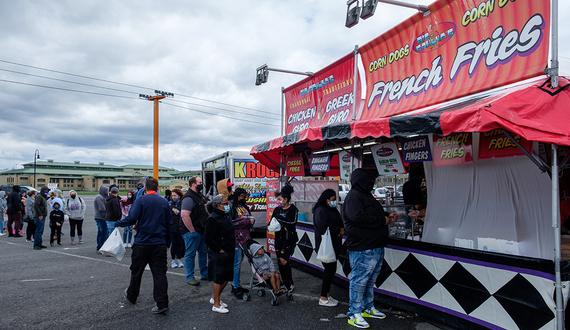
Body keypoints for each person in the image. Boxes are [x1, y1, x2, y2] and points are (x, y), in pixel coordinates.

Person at [343, 168, 398, 329]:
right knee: (359, 281)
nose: (372, 183)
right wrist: (383, 221)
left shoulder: (365, 195)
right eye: (370, 180)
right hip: (362, 247)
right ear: (362, 180)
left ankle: (367, 307)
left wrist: (388, 215)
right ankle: (354, 313)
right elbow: (357, 217)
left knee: (369, 281)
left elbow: (373, 213)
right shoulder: (354, 196)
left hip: (375, 245)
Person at [115, 177, 172, 314]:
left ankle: (132, 295)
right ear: (158, 189)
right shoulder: (164, 202)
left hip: (142, 242)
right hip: (159, 243)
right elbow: (169, 224)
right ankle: (162, 302)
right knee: (159, 273)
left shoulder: (141, 200)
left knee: (137, 271)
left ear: (145, 189)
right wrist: (167, 242)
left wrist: (117, 223)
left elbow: (132, 218)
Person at [204, 194, 235, 314]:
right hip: (219, 253)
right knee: (219, 278)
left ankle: (215, 298)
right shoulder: (212, 219)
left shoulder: (225, 216)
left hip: (229, 250)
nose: (228, 206)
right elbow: (208, 238)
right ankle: (216, 304)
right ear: (218, 205)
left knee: (227, 277)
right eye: (225, 204)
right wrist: (219, 249)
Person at [313, 188, 344, 307]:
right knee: (329, 271)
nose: (334, 201)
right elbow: (323, 227)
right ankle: (323, 297)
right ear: (326, 200)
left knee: (331, 270)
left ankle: (327, 294)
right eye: (333, 199)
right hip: (325, 246)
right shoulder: (320, 210)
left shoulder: (332, 209)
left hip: (334, 245)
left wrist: (342, 230)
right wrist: (338, 230)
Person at [181, 176, 209, 286]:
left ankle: (204, 274)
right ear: (193, 184)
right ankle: (190, 277)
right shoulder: (189, 197)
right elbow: (184, 215)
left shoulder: (200, 196)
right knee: (190, 254)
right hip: (192, 231)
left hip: (201, 230)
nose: (202, 184)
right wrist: (191, 231)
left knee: (203, 253)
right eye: (200, 182)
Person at [271, 184, 298, 292]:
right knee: (279, 260)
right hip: (278, 238)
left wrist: (281, 219)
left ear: (286, 199)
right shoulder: (277, 210)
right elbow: (272, 221)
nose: (278, 201)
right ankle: (283, 281)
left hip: (289, 238)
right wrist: (269, 226)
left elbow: (293, 222)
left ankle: (289, 282)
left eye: (279, 199)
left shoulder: (293, 209)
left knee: (284, 260)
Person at [229, 188, 254, 298]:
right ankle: (235, 286)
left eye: (245, 196)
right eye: (242, 196)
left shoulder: (244, 207)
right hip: (236, 240)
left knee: (240, 263)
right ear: (237, 196)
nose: (244, 198)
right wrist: (246, 220)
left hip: (245, 238)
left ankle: (236, 284)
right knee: (236, 264)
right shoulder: (231, 207)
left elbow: (249, 218)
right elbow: (229, 223)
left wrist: (250, 221)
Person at [168, 189, 185, 268]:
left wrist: (179, 213)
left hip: (180, 227)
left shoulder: (183, 203)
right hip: (172, 227)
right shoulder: (170, 204)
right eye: (172, 196)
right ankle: (173, 260)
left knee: (180, 244)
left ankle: (179, 259)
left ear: (179, 195)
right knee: (173, 244)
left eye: (175, 195)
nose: (173, 197)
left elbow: (185, 214)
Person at [94, 186, 109, 252]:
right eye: (107, 191)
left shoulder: (103, 197)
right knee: (103, 232)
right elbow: (102, 209)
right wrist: (106, 215)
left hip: (101, 217)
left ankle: (100, 246)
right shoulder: (99, 197)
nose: (107, 192)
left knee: (101, 232)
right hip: (100, 217)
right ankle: (101, 247)